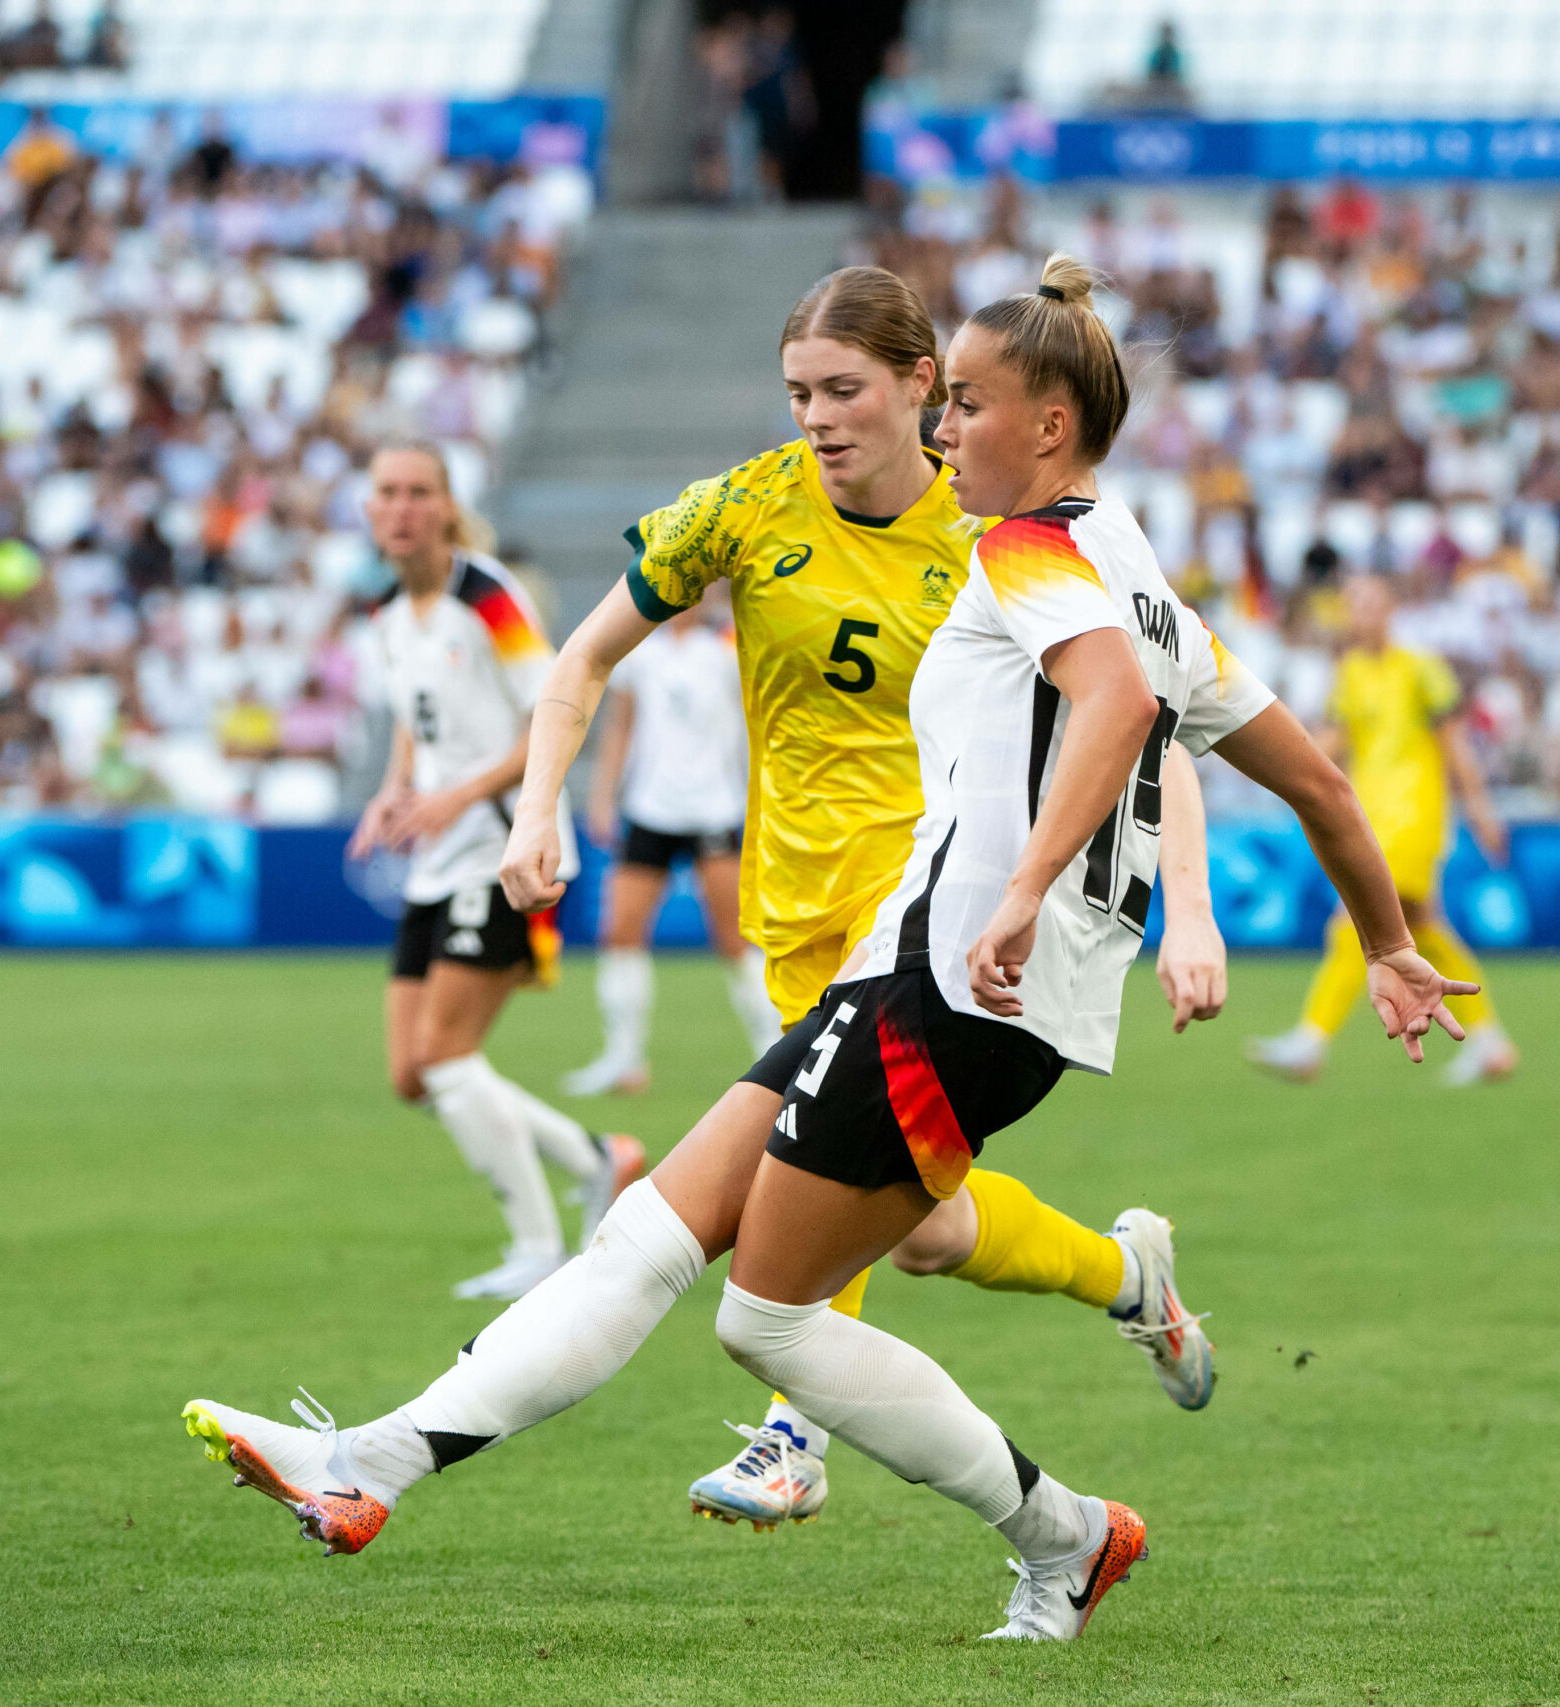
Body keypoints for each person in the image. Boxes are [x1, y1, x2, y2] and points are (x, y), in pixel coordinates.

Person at [181, 256, 1469, 1643]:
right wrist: (1385, 936)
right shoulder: (1140, 575)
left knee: (769, 1318)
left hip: (949, 986)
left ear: (1045, 424)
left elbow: (1107, 708)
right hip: (914, 974)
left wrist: (1028, 886)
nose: (946, 432)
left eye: (964, 405)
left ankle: (1068, 1533)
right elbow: (1321, 785)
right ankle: (368, 1459)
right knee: (653, 1237)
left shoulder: (1023, 548)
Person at [578, 264, 1225, 1529]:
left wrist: (1186, 909)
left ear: (923, 387)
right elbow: (589, 652)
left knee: (796, 1186)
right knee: (922, 1234)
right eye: (798, 392)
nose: (816, 416)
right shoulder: (760, 514)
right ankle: (1126, 1276)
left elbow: (1144, 714)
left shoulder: (1010, 536)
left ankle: (789, 1436)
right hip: (799, 900)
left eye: (841, 389)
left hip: (929, 914)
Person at [348, 442, 644, 1299]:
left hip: (505, 851)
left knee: (446, 1055)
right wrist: (396, 789)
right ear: (370, 511)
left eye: (417, 492)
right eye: (386, 493)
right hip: (438, 859)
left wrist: (458, 796)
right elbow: (415, 719)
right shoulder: (386, 613)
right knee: (414, 1072)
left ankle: (538, 1245)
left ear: (446, 506)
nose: (401, 508)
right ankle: (602, 1158)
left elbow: (550, 716)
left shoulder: (490, 599)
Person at [1244, 574, 1515, 1087]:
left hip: (1413, 817)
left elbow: (1455, 745)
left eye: (1370, 603)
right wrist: (1263, 762)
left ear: (1391, 608)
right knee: (1423, 932)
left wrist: (1481, 811)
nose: (1361, 614)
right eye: (1352, 605)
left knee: (1353, 924)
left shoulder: (1422, 669)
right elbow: (1328, 741)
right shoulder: (1350, 673)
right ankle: (1490, 1042)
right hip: (1370, 819)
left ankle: (1312, 1040)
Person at [564, 584, 782, 1096]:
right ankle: (623, 1059)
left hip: (714, 809)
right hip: (649, 809)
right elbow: (620, 727)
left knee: (734, 938)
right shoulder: (642, 650)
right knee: (620, 931)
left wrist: (761, 799)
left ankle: (773, 1057)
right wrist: (603, 796)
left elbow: (759, 727)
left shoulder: (730, 647)